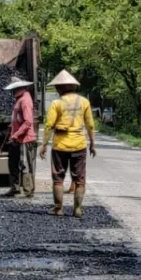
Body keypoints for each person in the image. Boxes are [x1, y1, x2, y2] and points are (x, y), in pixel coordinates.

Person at [40, 70, 96, 218]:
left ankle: (58, 209)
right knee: (80, 180)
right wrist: (93, 144)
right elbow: (90, 124)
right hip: (79, 145)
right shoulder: (84, 102)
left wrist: (44, 144)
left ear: (60, 88)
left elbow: (49, 125)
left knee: (58, 179)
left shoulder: (56, 103)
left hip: (60, 146)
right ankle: (77, 209)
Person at [4, 76, 37, 197]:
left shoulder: (25, 100)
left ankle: (28, 191)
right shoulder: (20, 99)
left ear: (19, 88)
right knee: (13, 163)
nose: (12, 92)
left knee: (25, 164)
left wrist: (16, 134)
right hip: (17, 138)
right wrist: (13, 126)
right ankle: (15, 188)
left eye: (14, 89)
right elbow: (20, 118)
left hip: (24, 139)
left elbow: (28, 122)